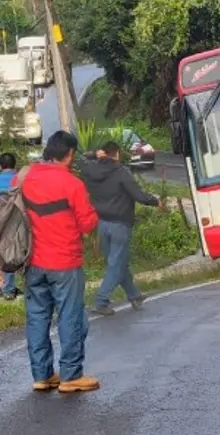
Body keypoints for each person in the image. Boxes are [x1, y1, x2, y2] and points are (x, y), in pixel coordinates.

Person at [17, 130, 100, 393]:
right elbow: (87, 223)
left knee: (38, 317)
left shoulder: (24, 178)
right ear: (70, 154)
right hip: (64, 262)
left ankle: (42, 376)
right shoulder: (72, 184)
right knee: (70, 316)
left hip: (32, 262)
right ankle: (71, 375)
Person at [82, 141, 160, 316]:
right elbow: (138, 195)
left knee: (118, 262)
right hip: (120, 224)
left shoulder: (90, 170)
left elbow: (81, 159)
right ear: (116, 154)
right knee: (116, 264)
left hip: (102, 223)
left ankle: (134, 295)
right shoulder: (121, 172)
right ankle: (102, 300)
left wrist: (94, 154)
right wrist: (155, 201)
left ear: (103, 153)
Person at [1, 152, 21, 301]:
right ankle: (8, 289)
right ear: (14, 165)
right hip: (13, 224)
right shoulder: (19, 180)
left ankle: (8, 287)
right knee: (10, 254)